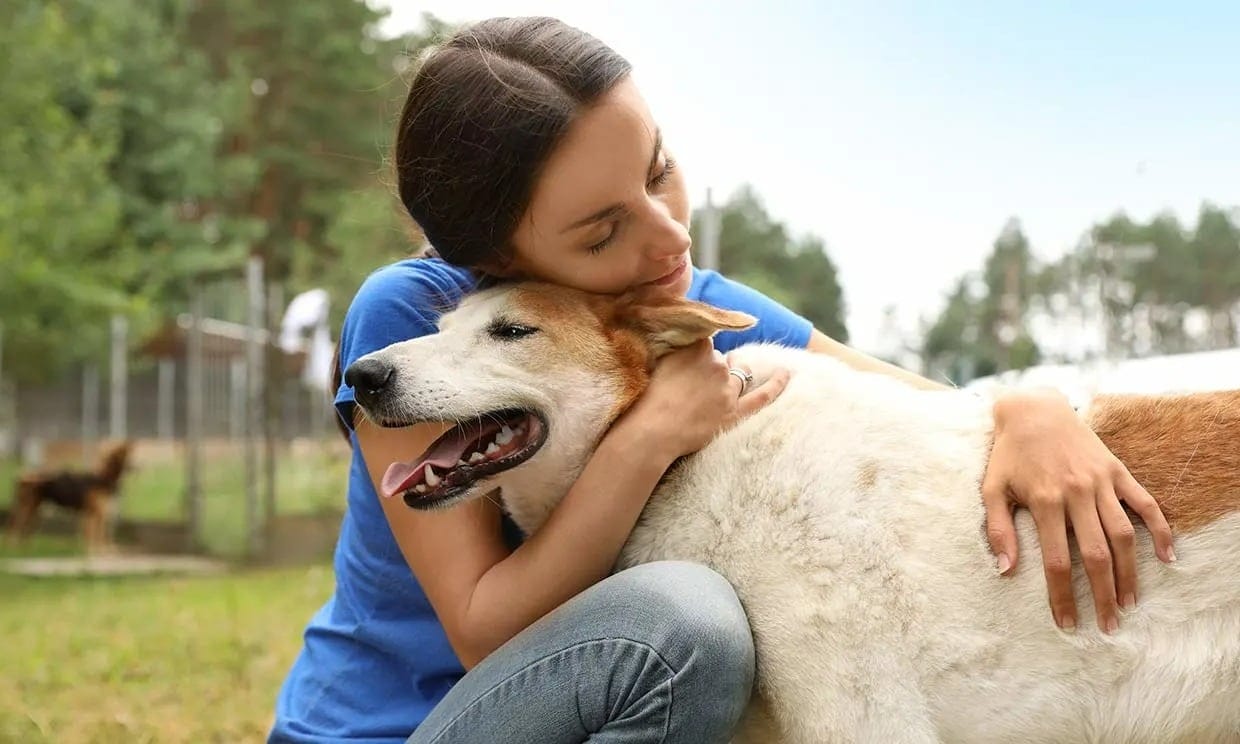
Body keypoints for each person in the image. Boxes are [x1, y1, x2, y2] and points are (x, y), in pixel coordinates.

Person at [268, 16, 1176, 744]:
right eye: (603, 232)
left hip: (601, 715)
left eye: (659, 171)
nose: (670, 235)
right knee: (686, 627)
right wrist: (651, 434)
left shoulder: (678, 299)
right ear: (495, 261)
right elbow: (483, 628)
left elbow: (926, 406)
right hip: (403, 727)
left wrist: (1031, 405)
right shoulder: (414, 320)